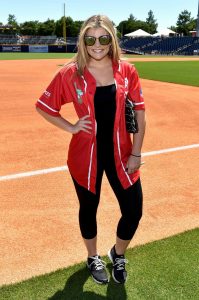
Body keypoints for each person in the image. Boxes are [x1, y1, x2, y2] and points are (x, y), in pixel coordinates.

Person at [35, 14, 146, 285]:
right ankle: (93, 256)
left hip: (122, 154)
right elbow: (44, 106)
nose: (98, 44)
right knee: (89, 207)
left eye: (104, 38)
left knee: (133, 210)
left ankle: (117, 253)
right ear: (83, 41)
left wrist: (137, 153)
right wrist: (71, 127)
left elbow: (140, 113)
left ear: (112, 39)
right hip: (85, 156)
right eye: (90, 39)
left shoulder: (127, 70)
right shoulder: (70, 73)